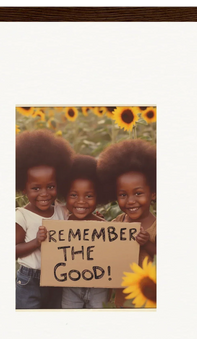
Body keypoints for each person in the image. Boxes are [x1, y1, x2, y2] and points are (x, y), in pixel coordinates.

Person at [15, 129, 74, 309]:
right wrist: (36, 242)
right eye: (36, 188)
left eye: (50, 186)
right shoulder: (21, 216)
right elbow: (13, 250)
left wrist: (95, 220)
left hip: (57, 278)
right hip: (29, 281)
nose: (44, 194)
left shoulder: (61, 211)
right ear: (23, 188)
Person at [97, 139, 156, 308]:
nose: (130, 201)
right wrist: (99, 224)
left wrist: (147, 244)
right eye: (123, 195)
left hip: (150, 299)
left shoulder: (157, 227)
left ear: (153, 194)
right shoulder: (118, 222)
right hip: (121, 299)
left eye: (138, 193)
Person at [61, 154, 109, 309]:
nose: (81, 201)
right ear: (65, 196)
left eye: (89, 196)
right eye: (74, 195)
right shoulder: (62, 225)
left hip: (99, 286)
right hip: (70, 285)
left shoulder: (104, 226)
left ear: (99, 197)